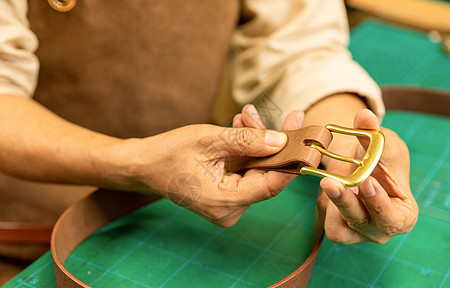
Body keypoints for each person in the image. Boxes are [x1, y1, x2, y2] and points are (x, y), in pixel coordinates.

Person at [0, 0, 417, 259]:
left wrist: (344, 138)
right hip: (23, 229)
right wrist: (135, 163)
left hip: (173, 226)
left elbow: (298, 49)